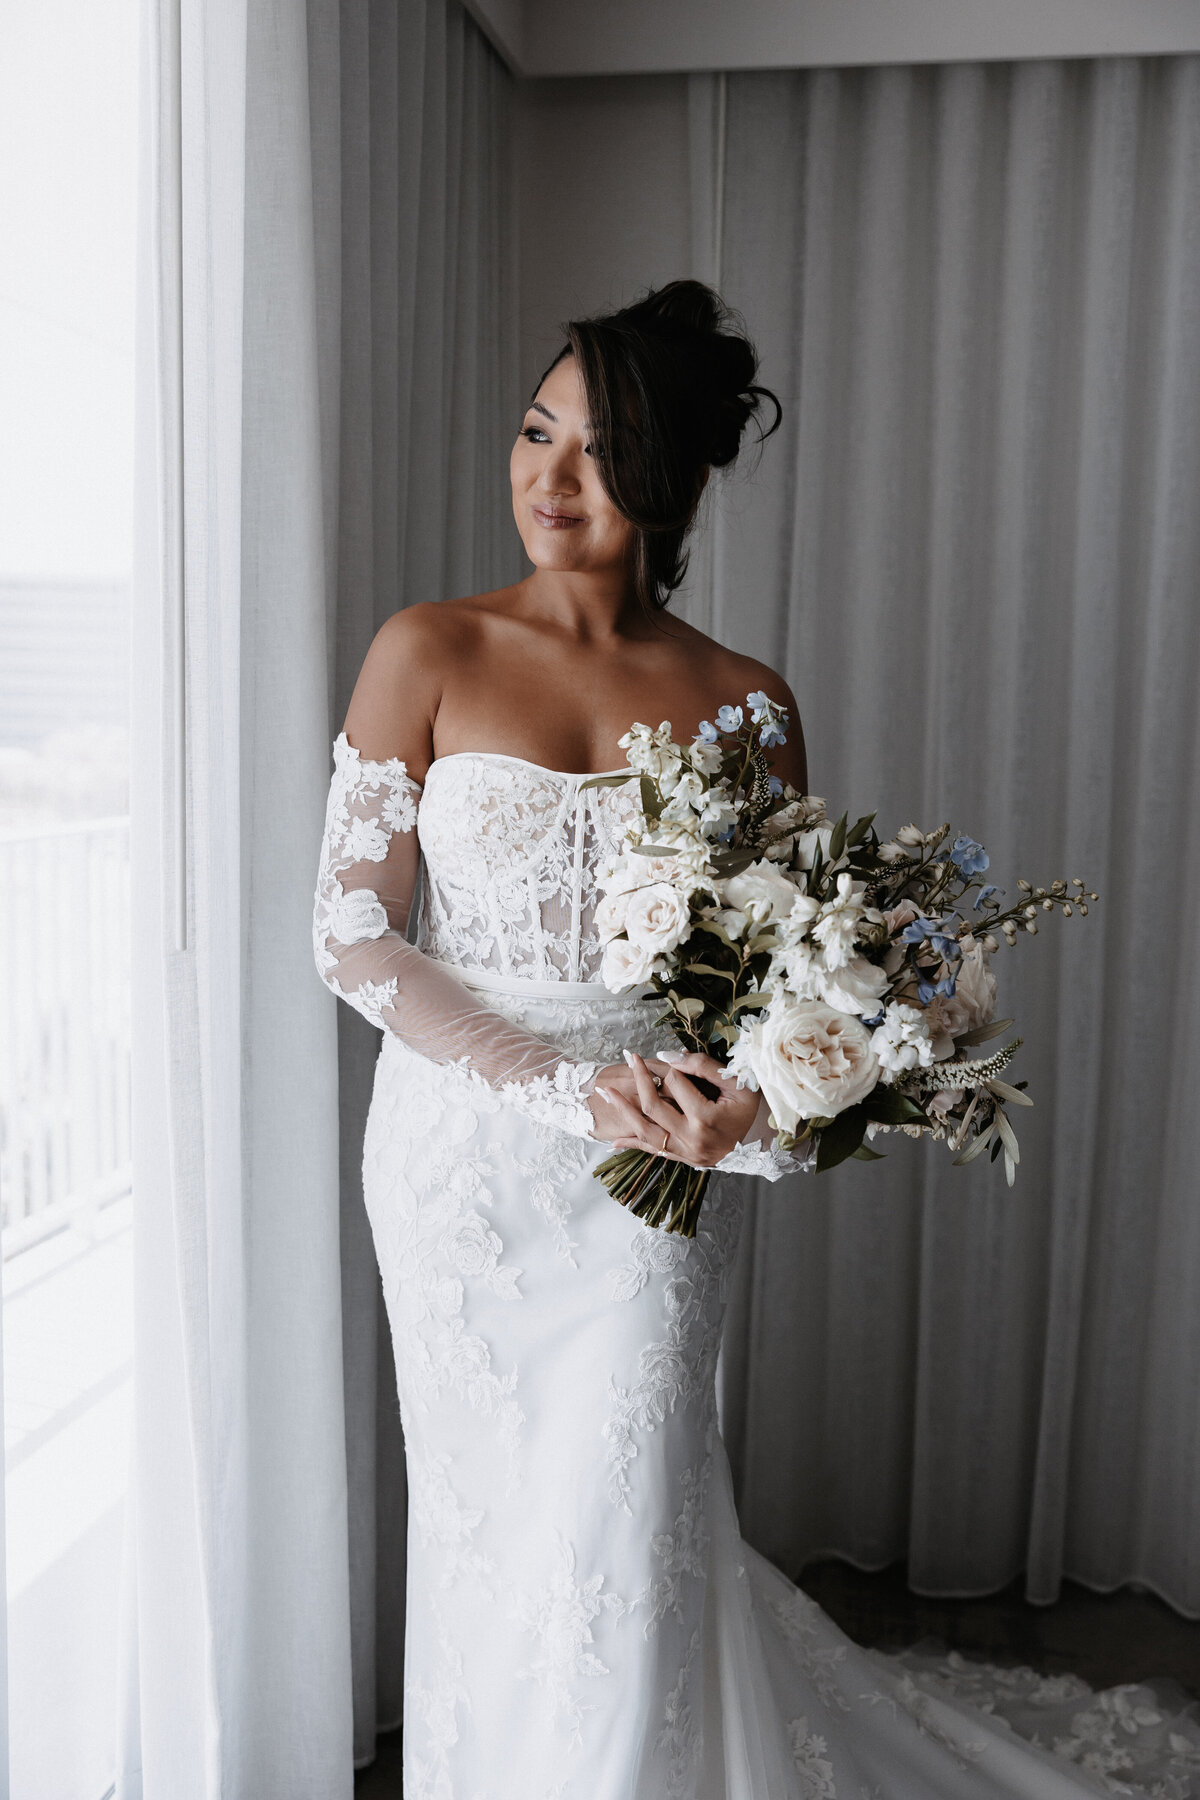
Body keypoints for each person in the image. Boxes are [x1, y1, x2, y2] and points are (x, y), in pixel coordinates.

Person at [313, 282, 1200, 1798]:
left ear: (681, 478)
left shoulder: (747, 704)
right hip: (468, 1158)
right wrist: (566, 1081)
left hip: (658, 1168)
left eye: (598, 450)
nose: (550, 476)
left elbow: (774, 976)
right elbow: (351, 933)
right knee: (491, 1527)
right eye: (537, 432)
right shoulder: (429, 648)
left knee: (625, 1515)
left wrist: (759, 1111)